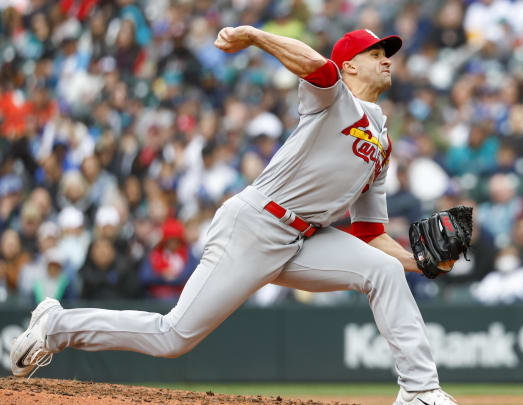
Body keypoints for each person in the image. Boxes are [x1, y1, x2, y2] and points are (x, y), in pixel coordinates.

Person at [11, 27, 458, 405]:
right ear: (350, 67)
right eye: (375, 53)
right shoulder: (334, 99)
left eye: (388, 55)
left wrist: (419, 262)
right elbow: (316, 67)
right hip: (254, 225)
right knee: (173, 337)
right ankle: (56, 325)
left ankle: (420, 391)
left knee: (382, 270)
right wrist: (253, 36)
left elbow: (369, 232)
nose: (386, 61)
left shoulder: (381, 143)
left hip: (303, 239)